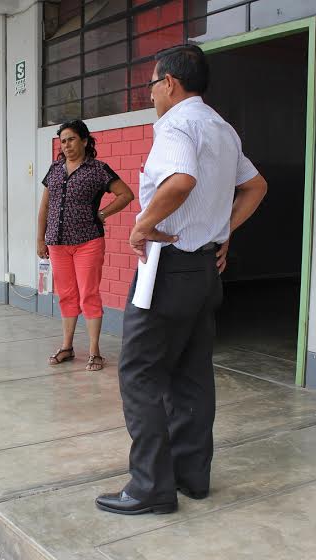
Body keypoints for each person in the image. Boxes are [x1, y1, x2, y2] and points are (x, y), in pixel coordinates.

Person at [95, 45, 268, 515]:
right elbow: (256, 186)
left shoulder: (176, 124)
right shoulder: (221, 128)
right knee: (191, 375)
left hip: (169, 270)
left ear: (169, 82)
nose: (151, 95)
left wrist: (141, 223)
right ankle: (191, 475)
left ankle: (151, 486)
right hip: (205, 271)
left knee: (140, 373)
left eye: (152, 85)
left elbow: (181, 180)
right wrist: (224, 230)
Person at [37, 119, 135, 371]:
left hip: (88, 241)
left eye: (71, 139)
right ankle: (67, 347)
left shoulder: (98, 169)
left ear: (84, 140)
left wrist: (102, 214)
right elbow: (45, 206)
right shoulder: (55, 170)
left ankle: (94, 351)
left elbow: (126, 194)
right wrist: (40, 238)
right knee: (67, 295)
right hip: (57, 243)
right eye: (63, 141)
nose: (66, 145)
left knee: (88, 294)